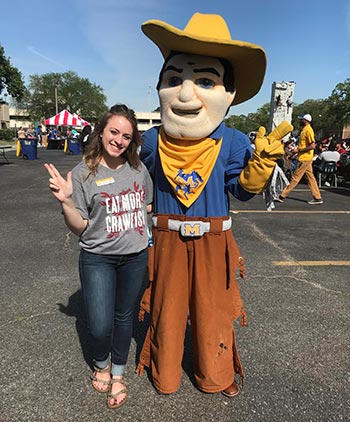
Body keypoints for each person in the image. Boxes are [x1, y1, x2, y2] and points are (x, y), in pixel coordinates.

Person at [135, 13, 292, 397]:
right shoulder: (152, 141)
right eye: (174, 80)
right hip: (167, 238)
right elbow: (132, 180)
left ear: (229, 93)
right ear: (160, 87)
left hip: (213, 241)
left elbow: (241, 192)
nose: (186, 94)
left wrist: (262, 164)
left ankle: (216, 375)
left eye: (205, 80)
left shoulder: (234, 141)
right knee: (166, 311)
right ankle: (165, 374)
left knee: (212, 313)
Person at [44, 104, 153, 409]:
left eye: (126, 136)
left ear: (133, 141)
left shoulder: (138, 169)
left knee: (124, 316)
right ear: (101, 132)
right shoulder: (83, 173)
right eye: (114, 132)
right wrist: (66, 202)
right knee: (101, 323)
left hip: (134, 256)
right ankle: (101, 362)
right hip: (98, 258)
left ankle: (117, 373)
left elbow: (146, 206)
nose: (119, 140)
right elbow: (79, 225)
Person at [275, 113, 323, 204]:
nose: (300, 121)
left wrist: (299, 150)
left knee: (295, 178)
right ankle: (317, 197)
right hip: (306, 158)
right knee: (310, 178)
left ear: (305, 121)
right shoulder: (305, 130)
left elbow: (312, 145)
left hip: (304, 158)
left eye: (301, 119)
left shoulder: (308, 130)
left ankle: (282, 195)